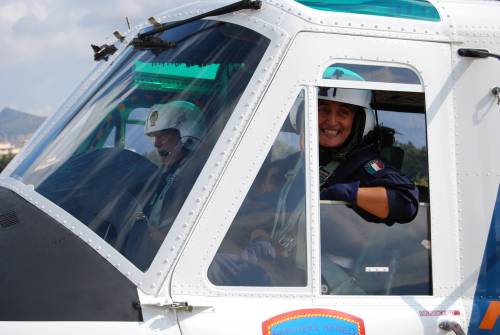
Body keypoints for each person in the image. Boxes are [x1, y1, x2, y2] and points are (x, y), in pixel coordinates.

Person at [317, 87, 419, 225]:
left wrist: (338, 193)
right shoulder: (299, 161)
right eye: (323, 109)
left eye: (343, 113)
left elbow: (405, 201)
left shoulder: (365, 164)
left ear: (358, 122)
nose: (332, 121)